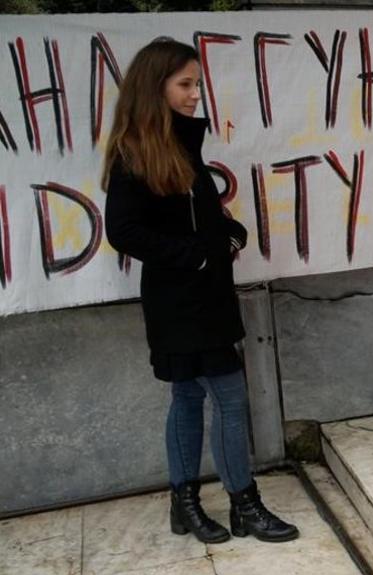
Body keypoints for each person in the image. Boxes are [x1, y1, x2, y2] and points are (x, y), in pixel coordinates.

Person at [103, 39, 297, 544]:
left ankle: (184, 503)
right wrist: (195, 253)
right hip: (179, 301)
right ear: (155, 87)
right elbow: (123, 230)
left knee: (188, 397)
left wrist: (227, 233)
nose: (195, 96)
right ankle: (244, 504)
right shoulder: (133, 152)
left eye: (196, 84)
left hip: (205, 295)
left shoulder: (182, 143)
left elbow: (196, 212)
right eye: (185, 84)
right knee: (228, 398)